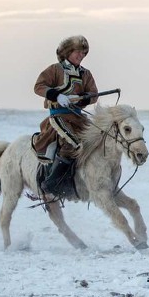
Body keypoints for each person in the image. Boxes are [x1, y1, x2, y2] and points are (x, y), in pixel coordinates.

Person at [32, 35, 100, 198]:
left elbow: (94, 94)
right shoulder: (55, 69)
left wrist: (85, 97)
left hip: (78, 118)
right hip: (58, 117)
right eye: (78, 52)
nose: (81, 56)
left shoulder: (86, 73)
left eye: (84, 54)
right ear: (68, 51)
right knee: (73, 144)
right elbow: (38, 86)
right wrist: (56, 96)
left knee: (97, 141)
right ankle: (52, 183)